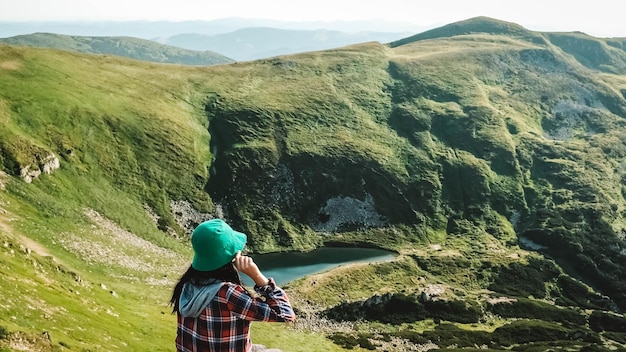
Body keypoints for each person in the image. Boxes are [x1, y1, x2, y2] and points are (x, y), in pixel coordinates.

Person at [170, 219, 296, 352]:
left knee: (258, 348)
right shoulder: (228, 293)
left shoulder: (187, 284)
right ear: (232, 257)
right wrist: (257, 275)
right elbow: (285, 314)